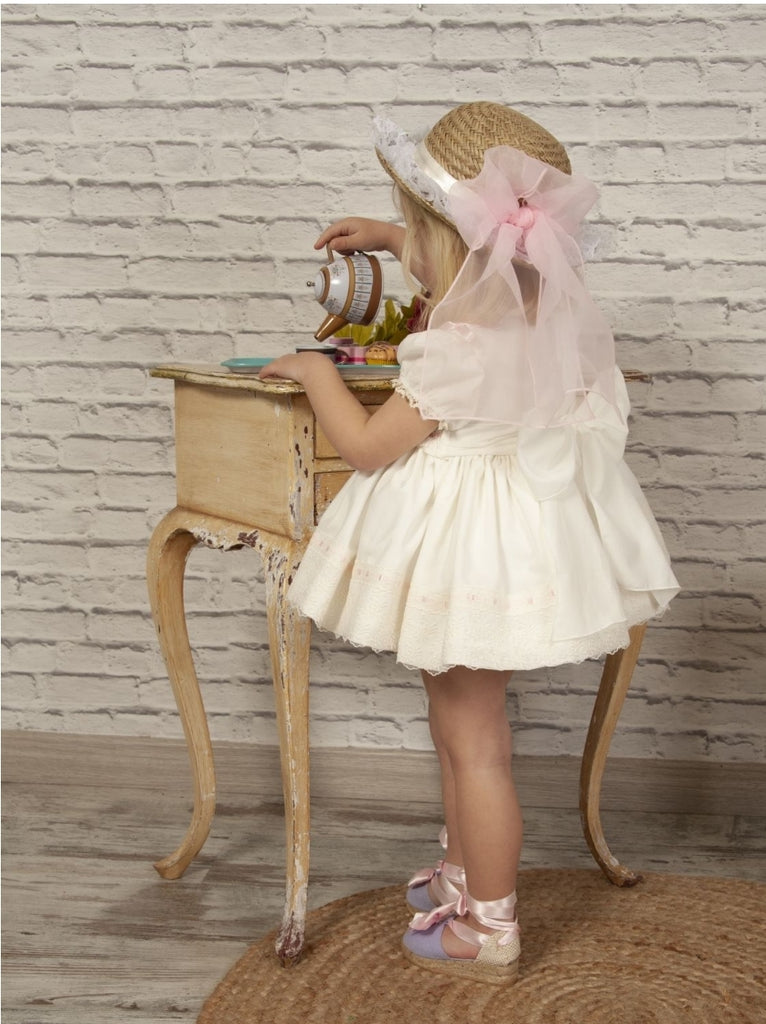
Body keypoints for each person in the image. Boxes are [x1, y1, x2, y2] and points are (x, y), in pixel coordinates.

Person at [259, 101, 679, 985]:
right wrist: (393, 234)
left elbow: (367, 447)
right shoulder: (537, 305)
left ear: (448, 245)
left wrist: (316, 371)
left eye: (412, 233)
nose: (405, 250)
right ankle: (462, 872)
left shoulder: (454, 346)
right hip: (517, 536)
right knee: (460, 724)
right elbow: (471, 263)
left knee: (474, 740)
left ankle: (490, 926)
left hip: (465, 547)